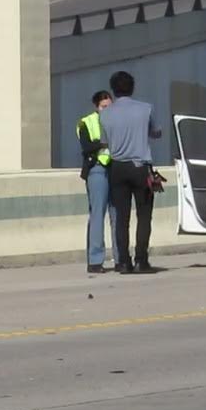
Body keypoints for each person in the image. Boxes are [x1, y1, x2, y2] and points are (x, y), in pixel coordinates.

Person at [98, 70, 162, 274]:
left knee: (121, 218)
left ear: (113, 90)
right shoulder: (146, 109)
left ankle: (124, 262)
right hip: (140, 167)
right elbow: (156, 132)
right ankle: (141, 260)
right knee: (144, 215)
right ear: (132, 88)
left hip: (117, 167)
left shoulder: (105, 114)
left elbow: (104, 142)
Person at [78, 90, 119, 274]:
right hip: (96, 168)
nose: (107, 109)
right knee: (97, 214)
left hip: (115, 168)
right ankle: (95, 260)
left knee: (117, 214)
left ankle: (121, 258)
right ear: (97, 107)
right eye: (104, 107)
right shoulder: (86, 122)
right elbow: (87, 146)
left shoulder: (117, 121)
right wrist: (104, 144)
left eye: (110, 106)